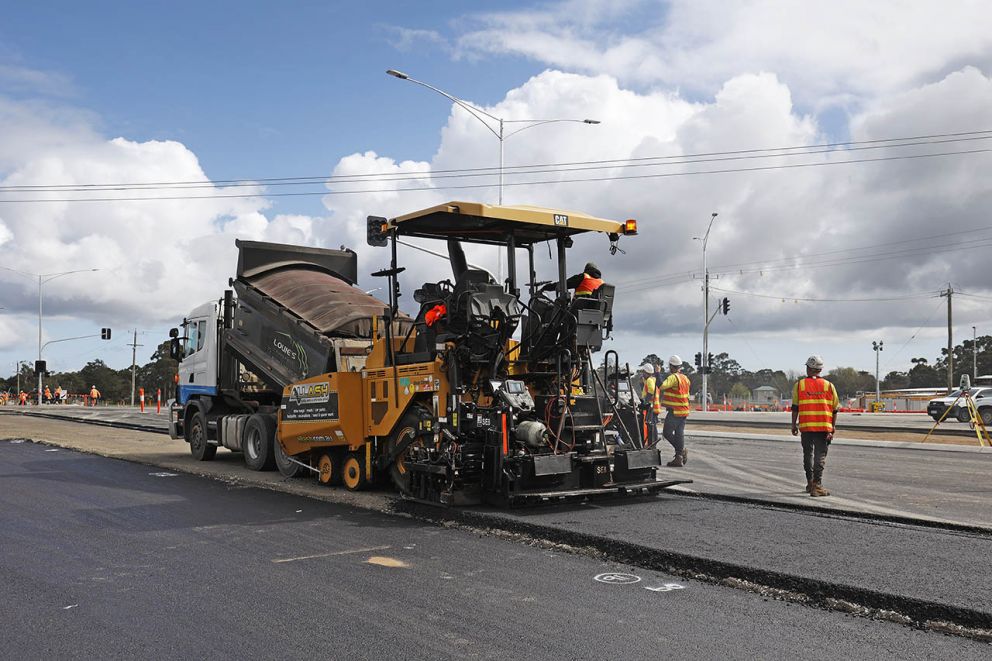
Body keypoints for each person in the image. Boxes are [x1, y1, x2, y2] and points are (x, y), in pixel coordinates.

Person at [791, 355, 840, 497]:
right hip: (823, 427)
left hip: (806, 426)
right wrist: (833, 426)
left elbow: (795, 407)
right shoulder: (829, 386)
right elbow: (834, 409)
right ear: (820, 369)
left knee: (808, 454)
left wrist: (794, 425)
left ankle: (810, 483)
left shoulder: (800, 385)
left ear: (808, 368)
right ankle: (817, 486)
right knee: (820, 455)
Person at [659, 355, 691, 467]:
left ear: (671, 367)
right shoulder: (685, 378)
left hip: (675, 411)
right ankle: (679, 458)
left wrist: (658, 373)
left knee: (667, 433)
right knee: (679, 434)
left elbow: (662, 386)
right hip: (684, 410)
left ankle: (680, 452)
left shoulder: (673, 377)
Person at [638, 363, 660, 445]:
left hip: (651, 406)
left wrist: (645, 401)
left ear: (646, 372)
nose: (642, 374)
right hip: (653, 406)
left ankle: (653, 442)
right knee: (652, 425)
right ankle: (653, 441)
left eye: (643, 372)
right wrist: (641, 383)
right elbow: (645, 387)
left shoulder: (650, 380)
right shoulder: (651, 379)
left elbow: (651, 390)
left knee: (651, 426)